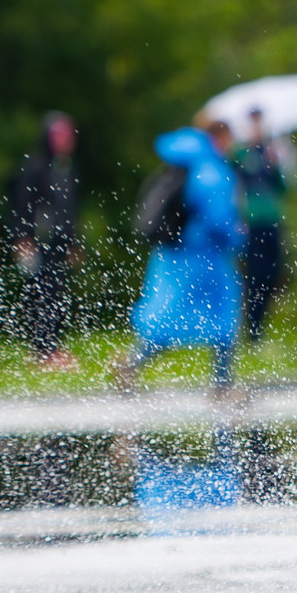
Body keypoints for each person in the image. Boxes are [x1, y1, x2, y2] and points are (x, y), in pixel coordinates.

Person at [114, 114, 247, 398]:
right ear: (221, 137)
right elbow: (218, 217)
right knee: (225, 316)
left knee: (168, 317)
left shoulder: (185, 162)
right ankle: (222, 384)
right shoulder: (211, 169)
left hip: (173, 256)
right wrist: (238, 236)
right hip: (205, 257)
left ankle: (132, 362)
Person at [6, 112, 83, 370]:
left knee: (57, 294)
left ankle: (53, 347)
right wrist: (22, 238)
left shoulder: (66, 169)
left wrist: (73, 242)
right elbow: (23, 205)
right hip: (39, 241)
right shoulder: (35, 167)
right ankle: (43, 349)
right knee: (42, 294)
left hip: (59, 243)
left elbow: (69, 211)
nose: (66, 140)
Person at [233, 105, 297, 346]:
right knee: (255, 274)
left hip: (271, 219)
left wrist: (277, 164)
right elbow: (235, 184)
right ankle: (252, 328)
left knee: (272, 272)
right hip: (250, 222)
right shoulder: (241, 153)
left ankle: (259, 323)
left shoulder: (270, 151)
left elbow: (282, 187)